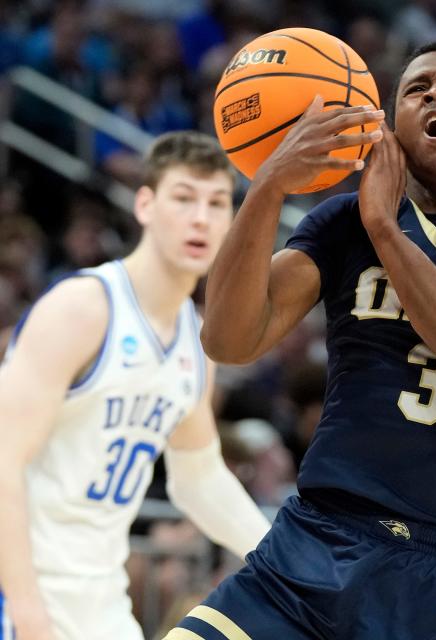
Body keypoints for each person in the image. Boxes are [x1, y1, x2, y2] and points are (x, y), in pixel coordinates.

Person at [165, 41, 436, 640]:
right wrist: (270, 183)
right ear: (389, 131)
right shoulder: (339, 222)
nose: (434, 92)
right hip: (315, 539)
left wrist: (385, 226)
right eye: (415, 88)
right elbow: (229, 339)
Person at [0, 131, 271, 640]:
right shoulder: (84, 308)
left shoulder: (196, 340)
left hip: (99, 603)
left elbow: (198, 478)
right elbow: (2, 462)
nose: (201, 218)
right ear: (144, 204)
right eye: (184, 198)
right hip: (20, 594)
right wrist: (28, 613)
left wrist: (288, 559)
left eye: (216, 203)